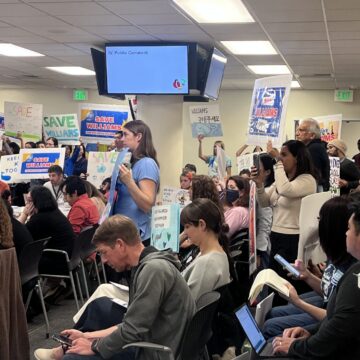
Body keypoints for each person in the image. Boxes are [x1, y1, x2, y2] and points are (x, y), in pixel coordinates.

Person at [34, 215, 196, 360]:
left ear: (120, 245)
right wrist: (88, 336)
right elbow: (132, 324)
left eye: (104, 252)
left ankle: (64, 353)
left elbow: (132, 330)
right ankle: (66, 349)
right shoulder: (150, 265)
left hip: (154, 352)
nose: (103, 260)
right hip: (154, 343)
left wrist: (93, 346)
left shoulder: (153, 270)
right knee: (84, 337)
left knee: (74, 358)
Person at [272, 201, 360, 359]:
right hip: (328, 334)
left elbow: (338, 324)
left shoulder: (354, 274)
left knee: (273, 332)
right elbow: (334, 313)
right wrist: (311, 333)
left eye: (350, 228)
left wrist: (298, 302)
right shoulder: (350, 268)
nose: (346, 233)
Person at [251, 140, 317, 279]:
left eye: (284, 155)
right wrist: (259, 184)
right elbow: (264, 202)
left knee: (288, 281)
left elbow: (285, 190)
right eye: (280, 154)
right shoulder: (282, 179)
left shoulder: (308, 180)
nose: (280, 158)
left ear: (297, 158)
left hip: (293, 239)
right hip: (276, 235)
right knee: (275, 279)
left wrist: (277, 161)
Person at [113, 120, 160, 243]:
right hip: (124, 230)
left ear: (138, 137)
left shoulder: (146, 164)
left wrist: (129, 182)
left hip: (135, 235)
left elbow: (147, 205)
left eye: (125, 135)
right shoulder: (133, 162)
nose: (122, 139)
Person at [181, 198, 231, 301]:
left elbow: (188, 307)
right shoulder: (216, 252)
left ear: (202, 225)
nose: (185, 233)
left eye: (187, 227)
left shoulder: (206, 263)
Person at [18, 186, 75, 274]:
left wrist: (24, 215)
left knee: (17, 260)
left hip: (57, 262)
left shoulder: (40, 219)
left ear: (36, 202)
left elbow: (20, 235)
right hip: (68, 258)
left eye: (29, 201)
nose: (26, 203)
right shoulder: (55, 212)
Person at [296, 118, 330, 191]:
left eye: (301, 130)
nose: (297, 134)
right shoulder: (315, 147)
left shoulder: (313, 149)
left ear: (312, 135)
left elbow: (311, 175)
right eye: (297, 130)